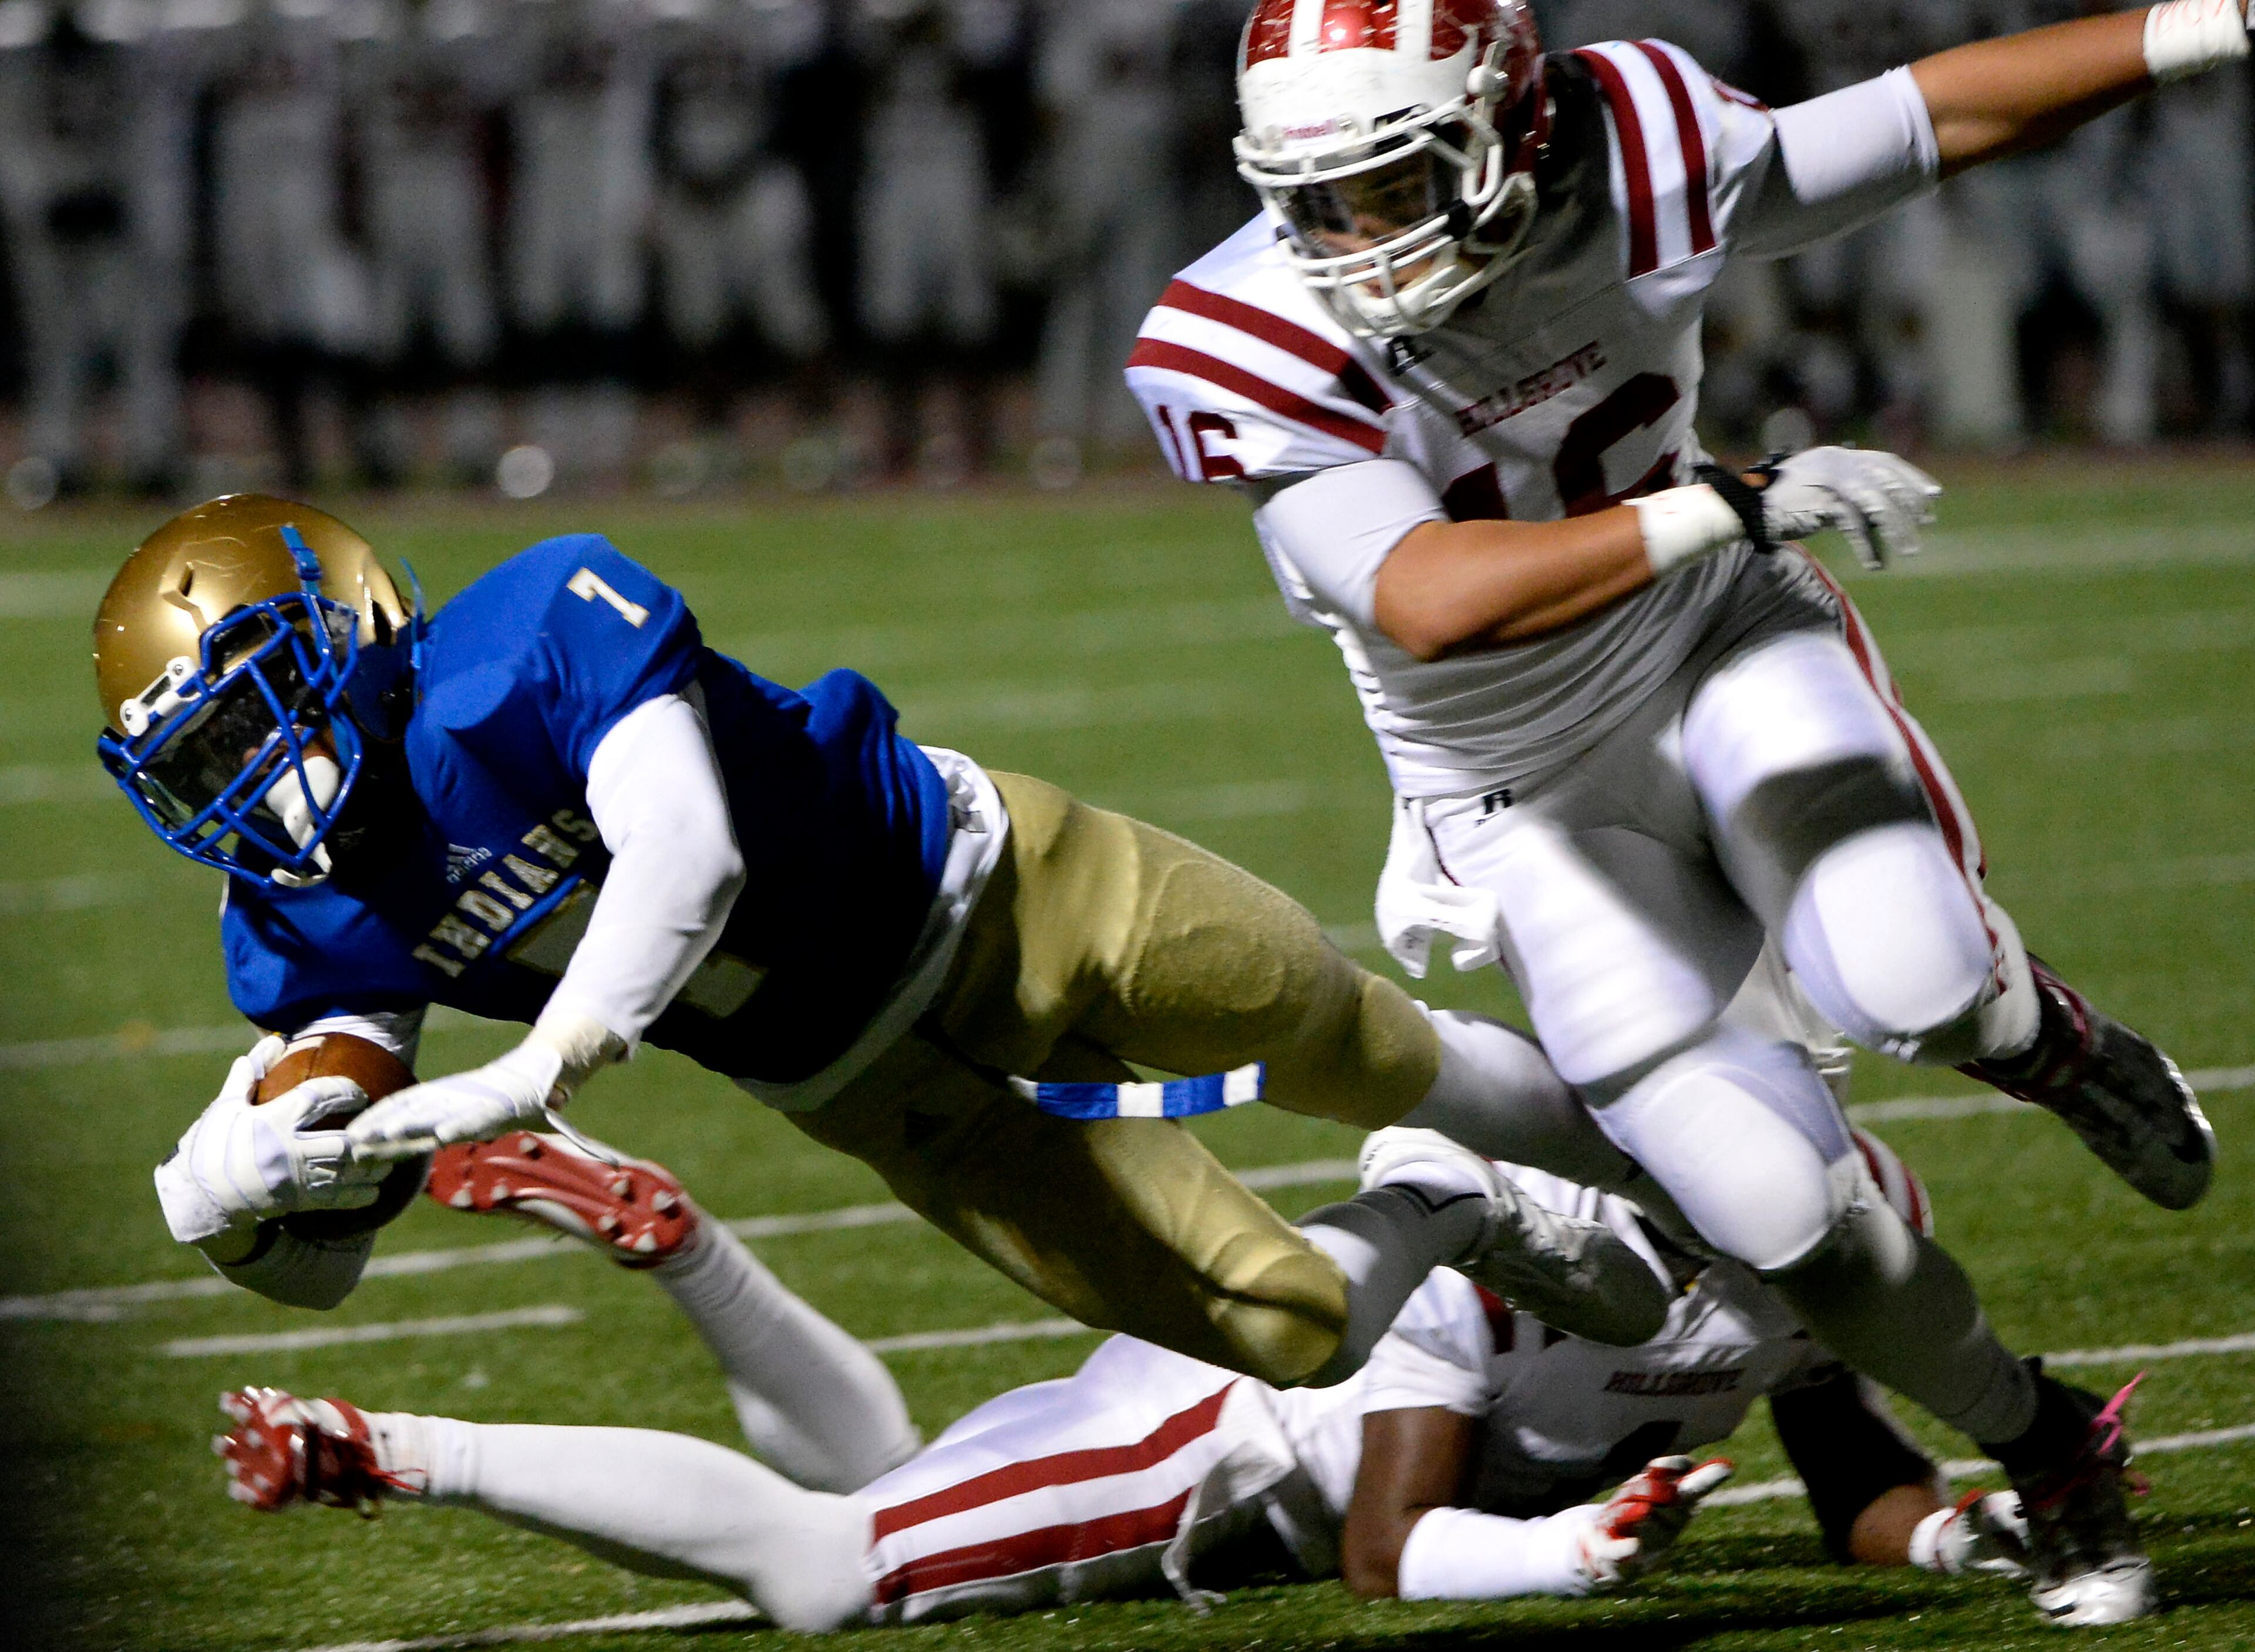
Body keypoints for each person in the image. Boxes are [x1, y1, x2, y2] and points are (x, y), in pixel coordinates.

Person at [1124, 0, 2229, 1624]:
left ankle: (2039, 1040)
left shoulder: (1633, 136)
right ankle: (2047, 1440)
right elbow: (1429, 599)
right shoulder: (1241, 333)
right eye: (1315, 201)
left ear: (1509, 124)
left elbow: (1924, 122)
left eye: (1394, 183)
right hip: (1518, 794)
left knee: (1910, 982)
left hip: (1713, 642)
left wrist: (2206, 23)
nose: (1349, 241)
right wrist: (1726, 498)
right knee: (1777, 1216)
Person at [97, 491, 1675, 1410]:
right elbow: (329, 1247)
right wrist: (246, 1190)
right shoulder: (292, 911)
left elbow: (688, 853)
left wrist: (540, 1061)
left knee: (1366, 1047)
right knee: (1294, 1335)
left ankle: (1678, 1182)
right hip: (870, 1088)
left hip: (1003, 895)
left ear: (342, 628)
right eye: (193, 767)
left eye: (244, 715)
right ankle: (1455, 1206)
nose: (242, 783)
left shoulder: (514, 644)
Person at [212, 1126, 2057, 1630]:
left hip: (1198, 1415)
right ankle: (398, 1448)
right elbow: (1387, 1552)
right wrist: (1569, 1560)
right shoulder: (1506, 1255)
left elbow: (1852, 1484)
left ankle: (691, 1249)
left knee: (879, 1491)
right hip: (1218, 1451)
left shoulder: (1820, 1250)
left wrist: (1963, 1534)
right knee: (831, 1577)